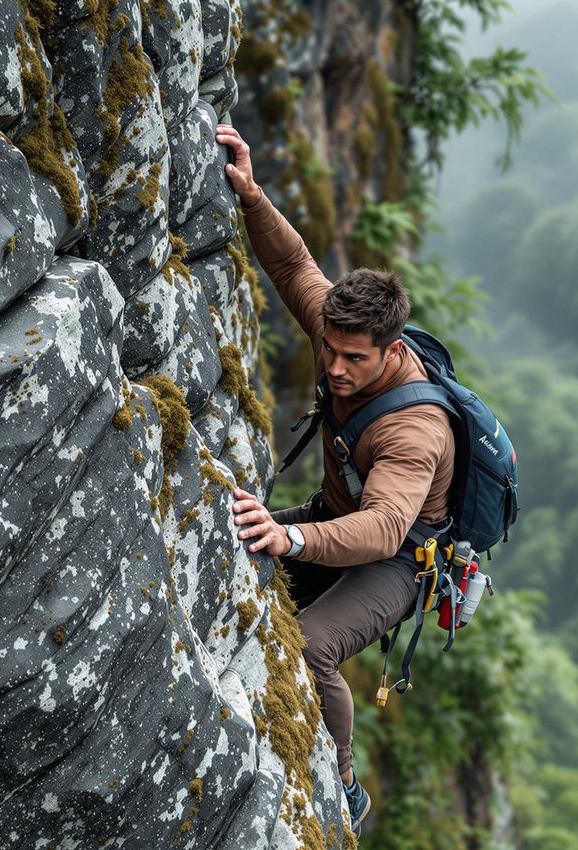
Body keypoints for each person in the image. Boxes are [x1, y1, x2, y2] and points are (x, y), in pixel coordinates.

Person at [215, 123, 455, 835]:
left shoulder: (414, 431)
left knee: (314, 643)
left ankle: (345, 784)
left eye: (353, 358)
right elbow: (294, 268)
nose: (335, 369)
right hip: (333, 516)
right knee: (232, 546)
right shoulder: (336, 331)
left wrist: (289, 538)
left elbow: (383, 527)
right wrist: (252, 195)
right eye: (331, 350)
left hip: (399, 560)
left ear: (390, 349)